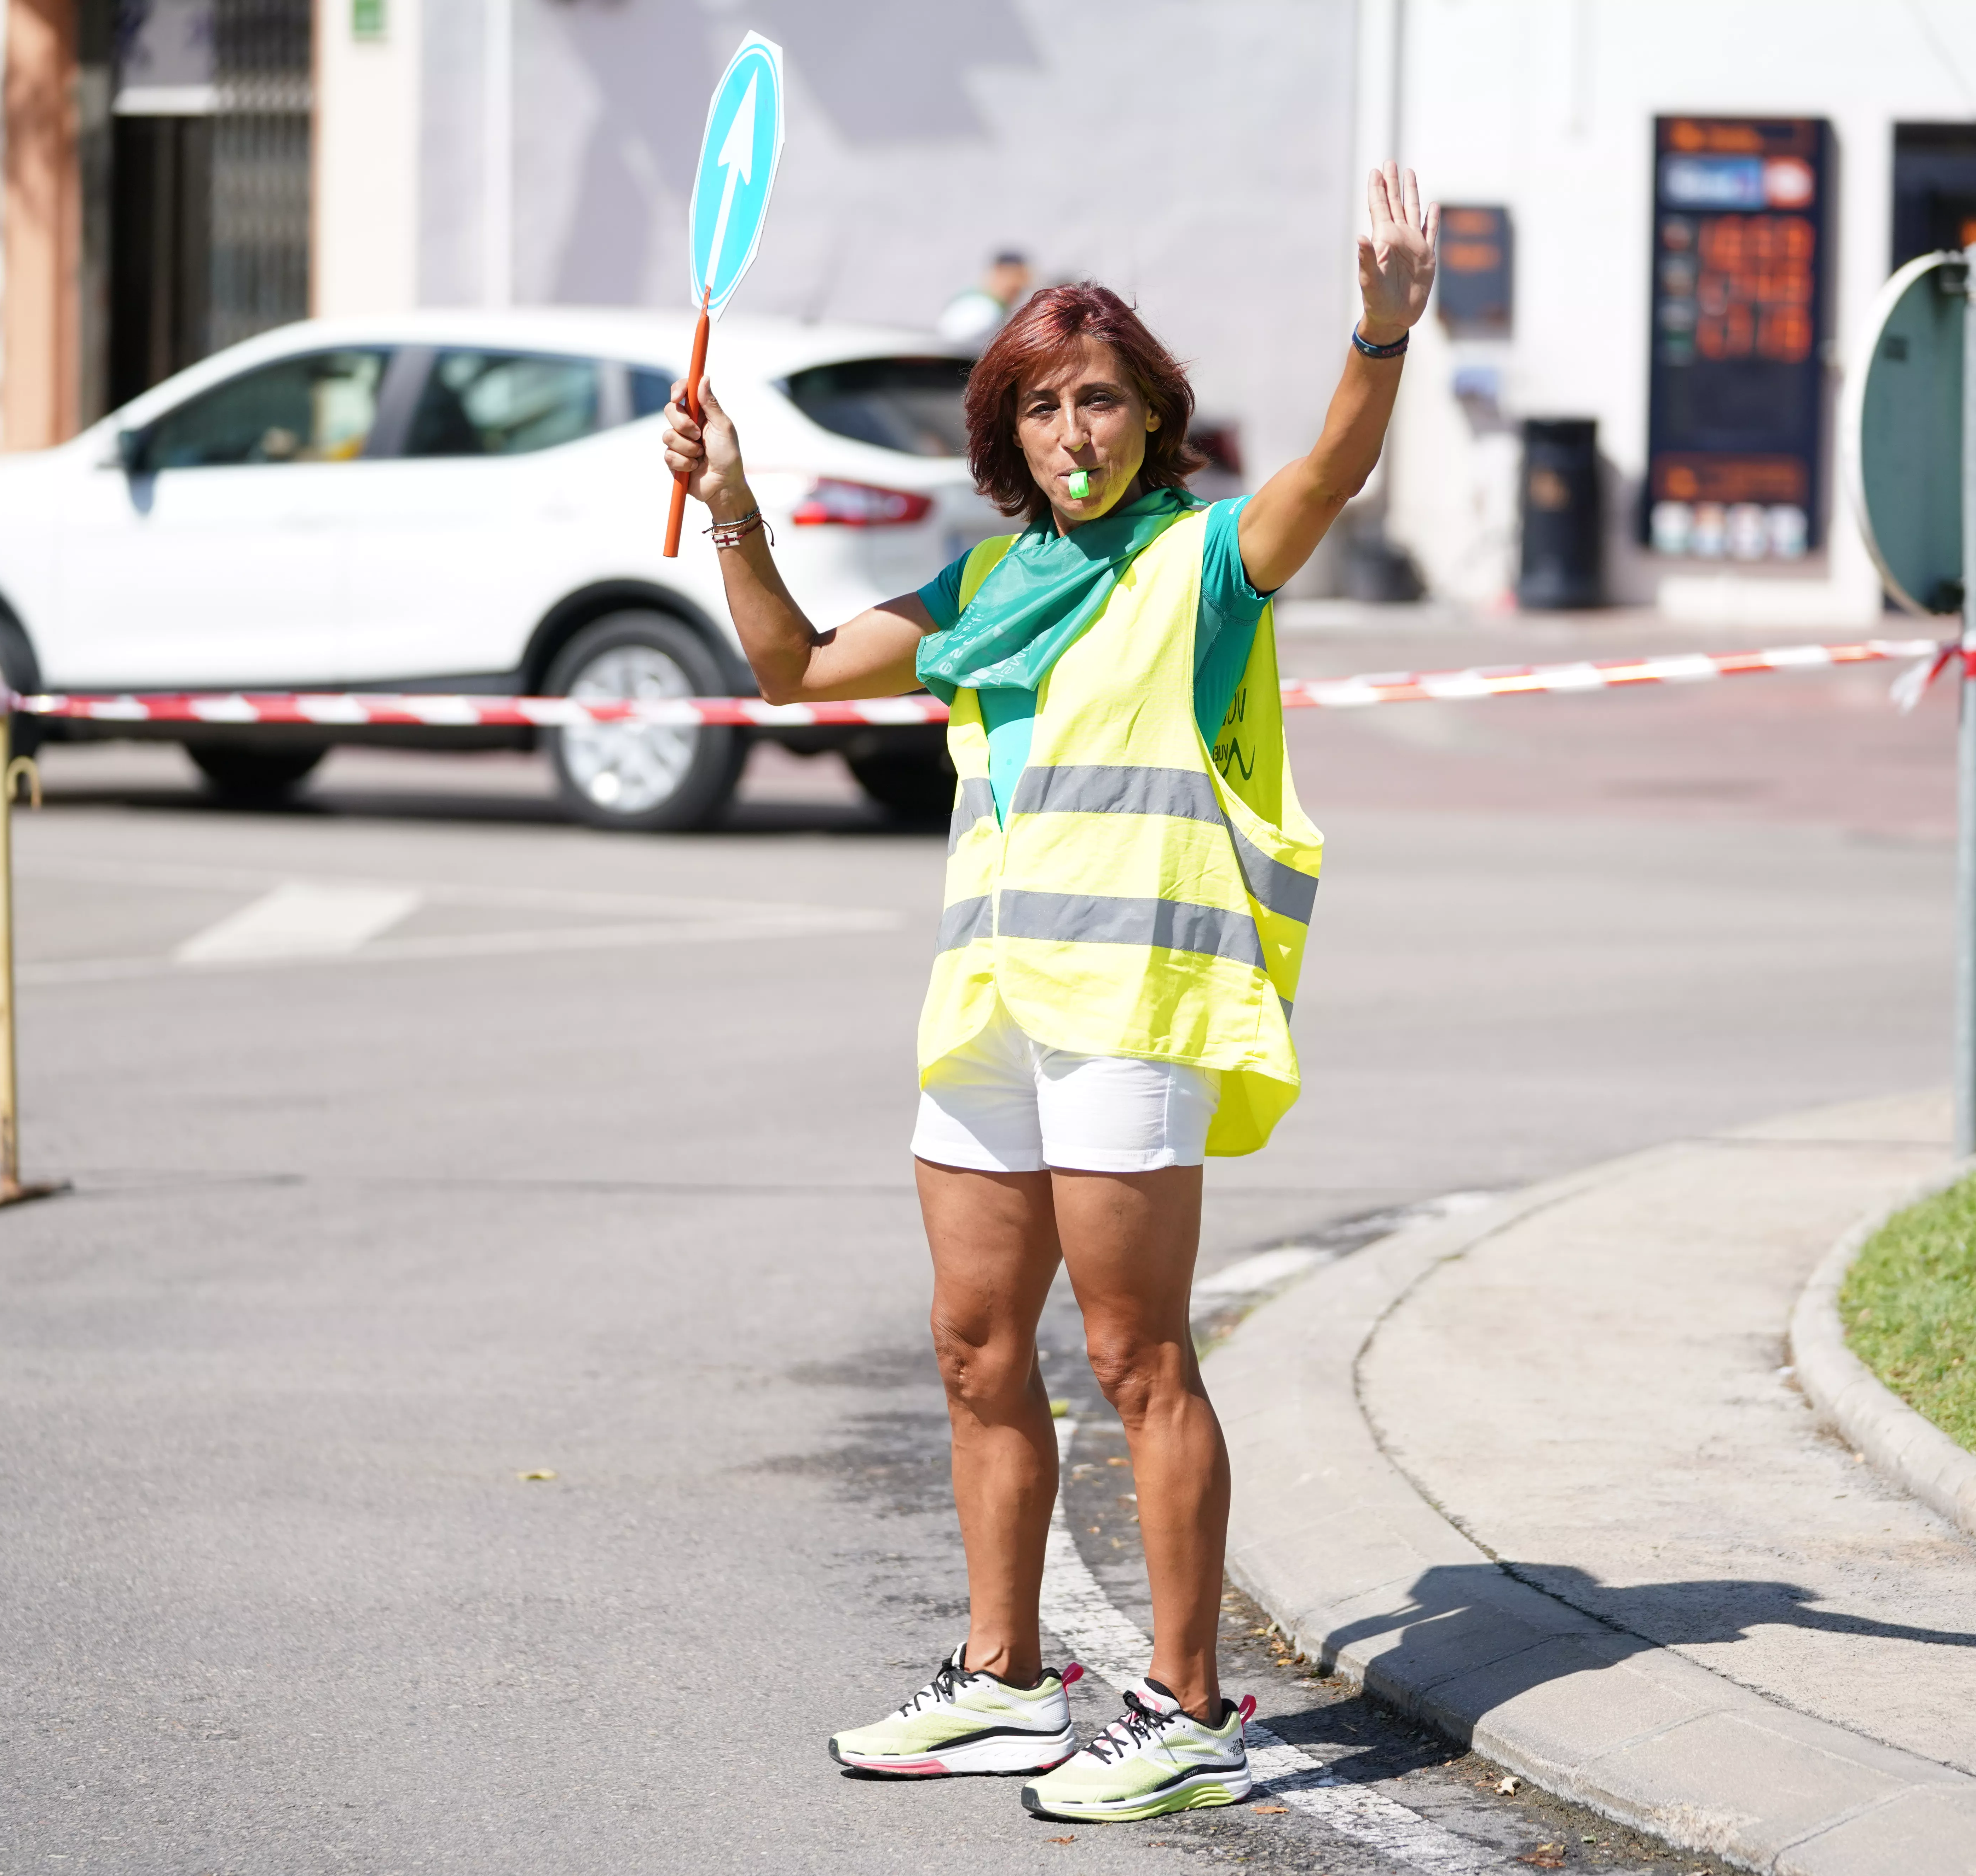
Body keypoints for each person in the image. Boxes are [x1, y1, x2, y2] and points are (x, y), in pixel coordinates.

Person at [661, 163, 1435, 1826]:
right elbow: (791, 666)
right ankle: (1007, 1680)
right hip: (989, 1011)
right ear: (1004, 435)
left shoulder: (1206, 559)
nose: (1074, 432)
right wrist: (732, 507)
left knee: (1136, 1354)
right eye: (1040, 406)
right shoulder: (983, 588)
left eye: (1099, 400)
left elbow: (1329, 471)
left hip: (1133, 1009)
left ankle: (1188, 1706)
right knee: (970, 1348)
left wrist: (1377, 334)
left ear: (1152, 415)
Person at [936, 249, 1034, 346]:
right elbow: (951, 342)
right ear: (999, 274)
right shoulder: (985, 308)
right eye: (1016, 279)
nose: (1020, 288)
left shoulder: (988, 304)